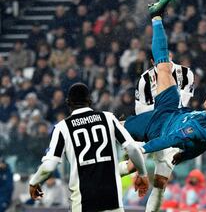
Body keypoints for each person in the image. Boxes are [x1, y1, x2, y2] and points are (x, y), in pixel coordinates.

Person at [120, 0, 206, 212]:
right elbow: (200, 147)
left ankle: (94, 177)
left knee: (151, 178)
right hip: (170, 111)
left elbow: (172, 139)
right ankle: (156, 16)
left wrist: (142, 151)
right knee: (164, 68)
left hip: (163, 134)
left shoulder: (199, 129)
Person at [29, 83, 149, 212]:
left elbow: (49, 167)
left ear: (68, 103)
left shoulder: (62, 128)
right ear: (90, 101)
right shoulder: (108, 118)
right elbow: (132, 148)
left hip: (83, 204)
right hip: (112, 201)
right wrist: (143, 174)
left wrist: (34, 182)